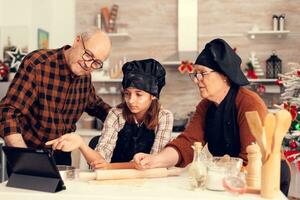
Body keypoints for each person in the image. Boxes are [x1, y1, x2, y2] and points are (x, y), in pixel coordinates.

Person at [134, 39, 290, 196]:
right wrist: (154, 160)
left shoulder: (249, 103)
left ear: (224, 75)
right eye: (195, 74)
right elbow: (187, 143)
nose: (196, 80)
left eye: (202, 73)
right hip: (233, 179)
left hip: (266, 177)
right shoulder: (205, 106)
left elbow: (251, 158)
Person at [0, 29, 112, 165]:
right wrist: (24, 157)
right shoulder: (38, 64)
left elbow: (97, 106)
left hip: (62, 158)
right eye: (88, 54)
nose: (88, 65)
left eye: (96, 63)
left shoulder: (85, 76)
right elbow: (8, 112)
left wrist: (131, 116)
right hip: (30, 152)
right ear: (77, 41)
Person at [46, 58, 173, 169]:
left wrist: (110, 167)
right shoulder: (116, 114)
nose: (131, 100)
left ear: (154, 96)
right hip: (113, 180)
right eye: (127, 94)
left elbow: (154, 163)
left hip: (147, 182)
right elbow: (99, 162)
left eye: (139, 94)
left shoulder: (164, 117)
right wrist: (81, 144)